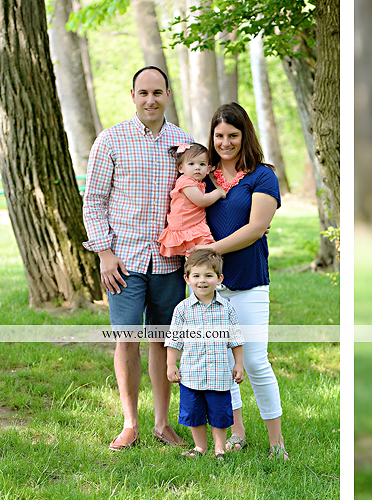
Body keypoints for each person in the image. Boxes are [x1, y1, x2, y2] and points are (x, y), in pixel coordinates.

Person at [83, 66, 193, 451]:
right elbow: (93, 201)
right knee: (126, 340)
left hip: (170, 263)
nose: (151, 100)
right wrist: (104, 254)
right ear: (132, 95)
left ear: (168, 95)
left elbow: (193, 202)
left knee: (164, 341)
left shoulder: (185, 145)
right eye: (143, 93)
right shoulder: (110, 140)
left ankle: (163, 424)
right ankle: (130, 423)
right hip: (124, 262)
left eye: (158, 92)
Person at [198, 103, 288, 460]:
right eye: (219, 135)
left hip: (249, 281)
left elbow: (255, 229)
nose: (225, 142)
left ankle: (276, 443)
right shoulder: (204, 177)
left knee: (253, 361)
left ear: (244, 134)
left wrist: (209, 250)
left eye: (232, 135)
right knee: (223, 362)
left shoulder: (262, 176)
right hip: (211, 286)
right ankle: (237, 432)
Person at [165, 249, 244, 459]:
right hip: (191, 374)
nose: (202, 281)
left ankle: (219, 449)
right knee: (194, 414)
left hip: (219, 375)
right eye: (196, 276)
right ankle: (200, 447)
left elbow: (236, 339)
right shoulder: (182, 310)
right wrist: (171, 365)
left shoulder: (227, 309)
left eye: (208, 276)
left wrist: (238, 364)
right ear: (187, 279)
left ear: (219, 279)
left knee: (220, 414)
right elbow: (174, 340)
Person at [158, 143, 226, 257]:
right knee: (203, 256)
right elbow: (202, 201)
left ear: (208, 169)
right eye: (191, 164)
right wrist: (218, 192)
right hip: (187, 226)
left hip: (192, 224)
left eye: (202, 164)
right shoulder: (186, 182)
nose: (197, 167)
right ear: (181, 168)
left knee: (198, 256)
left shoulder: (195, 183)